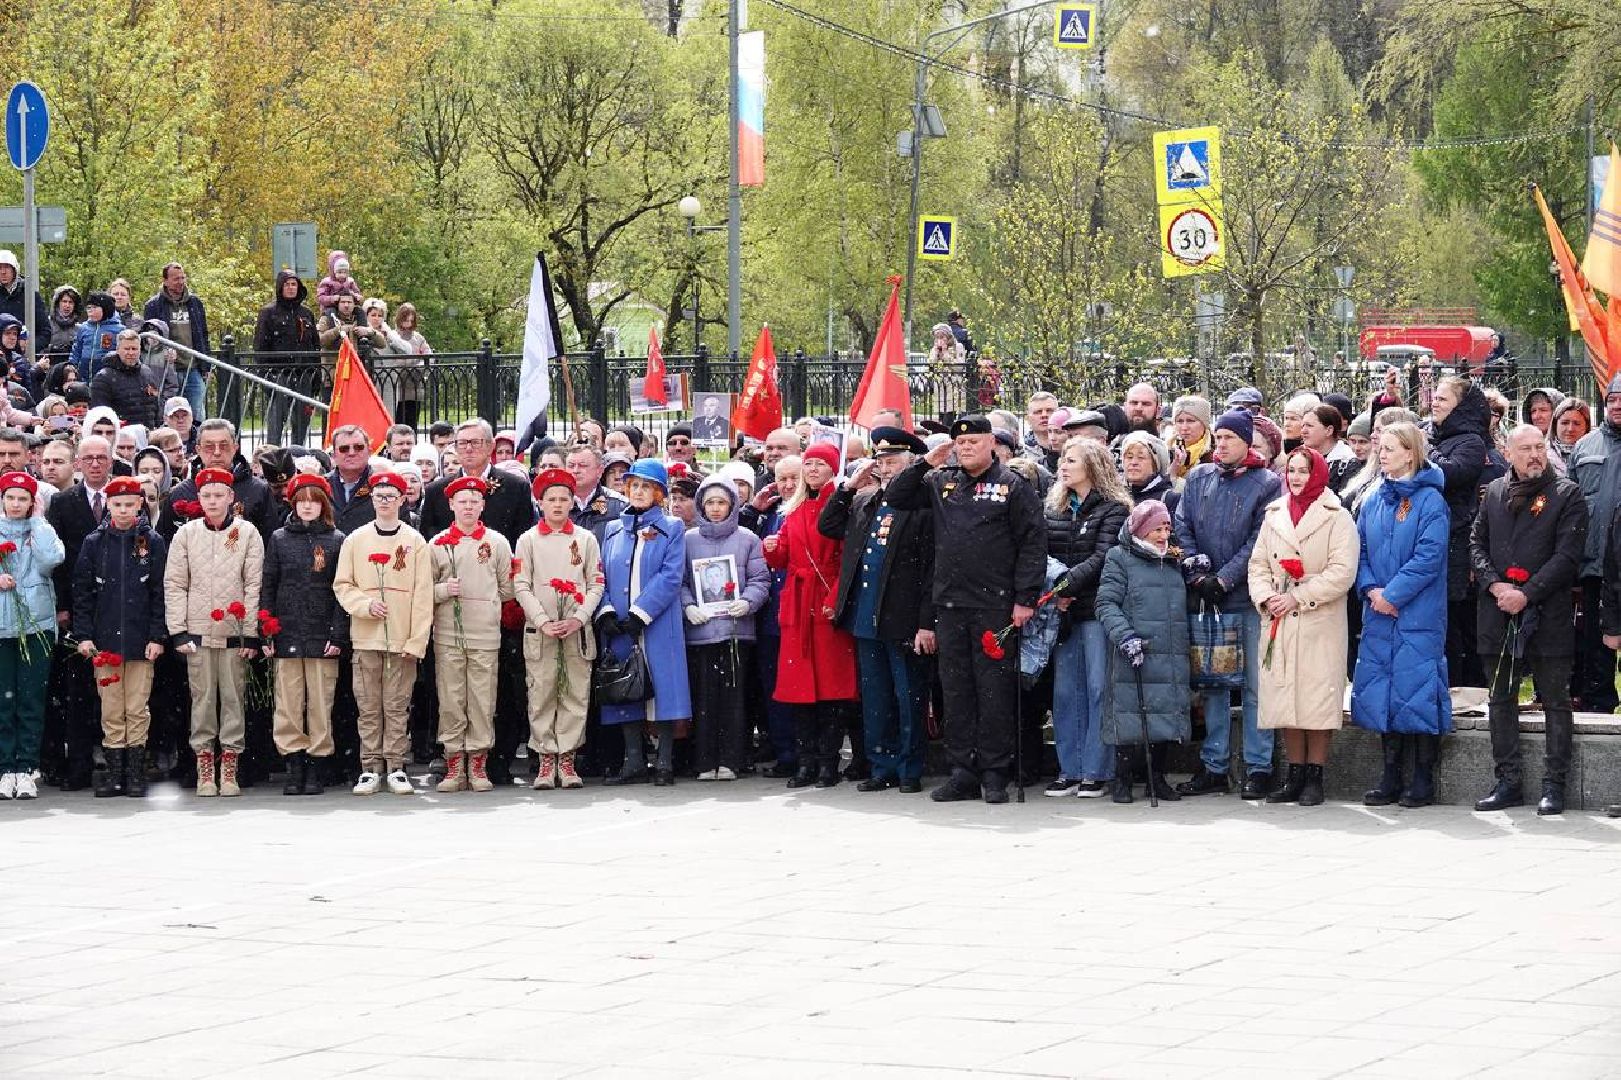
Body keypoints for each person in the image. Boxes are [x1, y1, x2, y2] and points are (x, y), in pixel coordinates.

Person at [884, 415, 1046, 804]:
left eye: (974, 441)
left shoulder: (1012, 486)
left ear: (991, 442)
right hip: (951, 605)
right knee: (956, 690)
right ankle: (963, 771)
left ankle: (994, 772)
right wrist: (926, 461)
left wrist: (1025, 599)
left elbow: (1032, 543)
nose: (967, 447)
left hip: (995, 606)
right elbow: (897, 497)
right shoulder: (943, 481)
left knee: (993, 691)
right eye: (961, 442)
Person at [1469, 425, 1586, 816]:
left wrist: (1527, 593)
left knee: (1555, 699)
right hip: (1498, 611)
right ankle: (1507, 781)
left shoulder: (1566, 494)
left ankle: (1555, 785)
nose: (1535, 454)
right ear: (1509, 452)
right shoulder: (1494, 493)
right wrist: (1496, 586)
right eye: (1526, 448)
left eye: (1540, 447)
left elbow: (1567, 556)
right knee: (1500, 697)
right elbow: (1476, 544)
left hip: (1546, 613)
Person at [818, 427, 935, 794]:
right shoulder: (865, 500)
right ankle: (881, 764)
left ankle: (909, 767)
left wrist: (924, 622)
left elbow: (931, 569)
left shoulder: (923, 504)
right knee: (876, 697)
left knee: (908, 696)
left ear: (912, 463)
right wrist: (849, 486)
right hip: (866, 615)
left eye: (893, 461)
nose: (885, 468)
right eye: (881, 461)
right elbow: (829, 525)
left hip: (902, 617)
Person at [1173, 408, 1283, 799]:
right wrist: (1198, 572)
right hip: (1206, 598)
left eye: (1229, 439)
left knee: (1255, 686)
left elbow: (1259, 539)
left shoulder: (1267, 483)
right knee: (1213, 685)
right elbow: (1182, 524)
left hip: (1245, 598)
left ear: (1245, 441)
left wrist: (1226, 578)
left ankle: (1259, 766)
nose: (1220, 445)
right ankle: (1214, 765)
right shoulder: (1199, 477)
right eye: (1217, 438)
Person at [1247, 447, 1359, 806]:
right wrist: (1266, 598)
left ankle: (1315, 776)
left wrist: (1300, 596)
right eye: (1291, 470)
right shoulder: (1274, 514)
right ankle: (1293, 774)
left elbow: (1342, 572)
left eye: (1302, 471)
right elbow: (1259, 564)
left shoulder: (1336, 516)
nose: (1295, 477)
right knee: (1285, 697)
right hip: (1279, 613)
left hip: (1318, 619)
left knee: (1316, 697)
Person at [1351, 422, 1452, 809]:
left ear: (1411, 452)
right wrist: (1371, 589)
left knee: (1418, 691)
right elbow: (1358, 550)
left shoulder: (1430, 501)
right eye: (1382, 447)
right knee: (1384, 691)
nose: (1383, 454)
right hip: (1378, 612)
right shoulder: (1374, 497)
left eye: (1391, 448)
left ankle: (1423, 778)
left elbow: (1429, 557)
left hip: (1417, 614)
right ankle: (1390, 775)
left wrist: (1393, 595)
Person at [164, 466, 265, 799]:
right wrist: (178, 630)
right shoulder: (187, 534)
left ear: (231, 497)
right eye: (206, 495)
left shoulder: (247, 533)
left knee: (234, 698)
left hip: (233, 632)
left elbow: (254, 583)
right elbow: (176, 583)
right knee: (203, 699)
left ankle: (231, 765)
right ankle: (205, 766)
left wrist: (250, 632)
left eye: (219, 494)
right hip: (198, 632)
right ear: (198, 498)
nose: (212, 501)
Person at [761, 443, 858, 789]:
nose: (813, 469)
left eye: (820, 464)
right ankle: (806, 762)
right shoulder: (795, 507)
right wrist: (773, 550)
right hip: (799, 604)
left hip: (825, 601)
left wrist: (835, 597)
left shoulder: (841, 504)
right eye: (809, 463)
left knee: (831, 689)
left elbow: (847, 557)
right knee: (800, 688)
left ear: (834, 469)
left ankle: (828, 763)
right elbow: (785, 556)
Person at [332, 471, 433, 796]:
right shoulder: (356, 540)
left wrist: (416, 641)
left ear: (403, 500)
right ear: (372, 499)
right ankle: (370, 765)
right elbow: (343, 585)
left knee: (397, 705)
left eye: (392, 496)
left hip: (402, 638)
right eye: (380, 496)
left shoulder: (414, 542)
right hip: (367, 637)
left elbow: (423, 594)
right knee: (369, 706)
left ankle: (396, 764)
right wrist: (363, 604)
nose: (386, 502)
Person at [1040, 440, 1130, 797]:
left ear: (1093, 465)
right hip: (1063, 612)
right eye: (1063, 459)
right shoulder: (1055, 508)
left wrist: (1066, 585)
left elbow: (1104, 555)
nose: (1063, 465)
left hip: (1095, 608)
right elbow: (1043, 552)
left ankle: (1097, 769)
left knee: (1097, 689)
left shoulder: (1114, 508)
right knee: (1065, 692)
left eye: (1072, 460)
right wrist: (1055, 591)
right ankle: (1070, 768)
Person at [595, 460, 691, 786]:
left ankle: (664, 761)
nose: (638, 491)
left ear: (659, 493)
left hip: (657, 623)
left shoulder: (672, 527)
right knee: (626, 688)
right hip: (620, 624)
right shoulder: (612, 529)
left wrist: (642, 611)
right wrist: (606, 609)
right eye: (634, 485)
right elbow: (600, 575)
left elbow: (671, 575)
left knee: (660, 690)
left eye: (646, 486)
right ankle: (633, 760)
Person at [71, 475, 163, 800]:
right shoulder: (94, 543)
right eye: (117, 504)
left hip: (140, 643)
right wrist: (83, 635)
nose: (123, 511)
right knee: (111, 707)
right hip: (105, 644)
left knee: (137, 707)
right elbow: (82, 593)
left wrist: (157, 635)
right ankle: (114, 772)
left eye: (130, 504)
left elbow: (159, 592)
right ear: (108, 505)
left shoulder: (151, 541)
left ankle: (135, 772)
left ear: (141, 504)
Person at [514, 469, 603, 790]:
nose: (557, 504)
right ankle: (545, 758)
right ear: (540, 503)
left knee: (574, 692)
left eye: (564, 498)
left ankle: (567, 758)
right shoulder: (528, 541)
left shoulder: (585, 539)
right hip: (542, 632)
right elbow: (520, 584)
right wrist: (541, 619)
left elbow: (596, 582)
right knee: (542, 692)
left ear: (572, 502)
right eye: (551, 499)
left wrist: (579, 617)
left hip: (575, 630)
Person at [1095, 500, 1188, 804]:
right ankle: (1122, 778)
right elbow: (1106, 603)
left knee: (1163, 711)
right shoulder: (1119, 557)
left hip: (1168, 651)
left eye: (1167, 528)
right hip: (1135, 649)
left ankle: (1155, 778)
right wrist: (1125, 637)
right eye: (1156, 529)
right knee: (1128, 712)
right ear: (1141, 530)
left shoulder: (1172, 559)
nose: (1163, 535)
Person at [426, 475, 515, 793]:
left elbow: (507, 587)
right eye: (462, 501)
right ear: (450, 505)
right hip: (448, 633)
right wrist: (441, 590)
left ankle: (477, 762)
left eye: (474, 501)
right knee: (451, 698)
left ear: (483, 505)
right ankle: (454, 764)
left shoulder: (497, 543)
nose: (468, 507)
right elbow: (422, 590)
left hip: (485, 633)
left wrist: (485, 603)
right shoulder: (436, 545)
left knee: (482, 698)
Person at [261, 474, 348, 796]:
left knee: (321, 704)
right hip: (286, 633)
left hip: (321, 634)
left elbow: (342, 590)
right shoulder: (280, 538)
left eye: (314, 500)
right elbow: (268, 584)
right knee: (288, 702)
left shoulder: (337, 540)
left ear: (323, 504)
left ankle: (317, 763)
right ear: (293, 504)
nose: (307, 506)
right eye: (301, 500)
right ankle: (293, 763)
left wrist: (337, 635)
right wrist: (266, 630)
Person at [682, 475, 770, 781]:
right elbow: (680, 581)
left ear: (733, 504)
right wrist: (688, 606)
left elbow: (761, 580)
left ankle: (732, 759)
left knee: (734, 698)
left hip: (736, 630)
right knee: (704, 698)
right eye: (710, 503)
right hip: (701, 632)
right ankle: (705, 760)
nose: (716, 509)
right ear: (701, 506)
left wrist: (748, 602)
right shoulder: (688, 539)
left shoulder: (748, 539)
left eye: (722, 502)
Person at [43, 435, 118, 790]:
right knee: (77, 692)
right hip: (77, 610)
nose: (94, 464)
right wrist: (61, 606)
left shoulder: (122, 496)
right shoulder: (62, 502)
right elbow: (57, 562)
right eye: (87, 458)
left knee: (116, 689)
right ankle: (78, 766)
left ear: (110, 460)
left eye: (100, 458)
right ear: (77, 464)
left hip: (117, 608)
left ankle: (119, 762)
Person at [1427, 375, 1494, 688]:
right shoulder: (1436, 437)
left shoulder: (1471, 441)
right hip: (1437, 539)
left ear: (1460, 407)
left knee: (1459, 623)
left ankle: (1469, 690)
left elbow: (1448, 474)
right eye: (1434, 398)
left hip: (1458, 544)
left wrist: (1425, 452)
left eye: (1442, 399)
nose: (1433, 404)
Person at [0, 472, 62, 800]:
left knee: (30, 701)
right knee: (2, 701)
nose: (16, 504)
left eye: (23, 498)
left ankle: (26, 767)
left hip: (35, 625)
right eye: (10, 497)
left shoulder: (41, 530)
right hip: (2, 628)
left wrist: (38, 523)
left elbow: (52, 560)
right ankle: (5, 767)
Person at [1568, 375, 1621, 714]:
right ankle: (1597, 710)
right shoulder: (1584, 446)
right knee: (1594, 647)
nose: (1618, 406)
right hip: (1593, 565)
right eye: (1613, 399)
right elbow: (1571, 508)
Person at [252, 271, 322, 447]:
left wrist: (316, 377)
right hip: (278, 375)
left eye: (294, 285)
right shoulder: (268, 313)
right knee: (276, 422)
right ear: (280, 287)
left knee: (301, 422)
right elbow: (260, 348)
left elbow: (315, 346)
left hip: (304, 375)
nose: (291, 288)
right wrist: (266, 377)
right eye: (287, 285)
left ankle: (298, 455)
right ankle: (272, 457)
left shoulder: (306, 313)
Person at [142, 263, 210, 419]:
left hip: (192, 368)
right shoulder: (153, 305)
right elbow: (150, 338)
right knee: (167, 413)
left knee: (196, 414)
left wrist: (206, 366)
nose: (180, 282)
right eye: (175, 279)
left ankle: (195, 441)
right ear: (165, 281)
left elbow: (203, 335)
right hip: (166, 369)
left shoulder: (195, 303)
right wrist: (162, 352)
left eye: (182, 278)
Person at [89, 330, 162, 429]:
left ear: (140, 350)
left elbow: (155, 406)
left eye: (134, 349)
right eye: (127, 349)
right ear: (118, 349)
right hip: (120, 436)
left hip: (147, 434)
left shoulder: (147, 373)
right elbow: (100, 414)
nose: (131, 353)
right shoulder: (103, 378)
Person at [1120, 431, 1179, 514]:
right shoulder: (1119, 497)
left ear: (1156, 464)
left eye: (1141, 457)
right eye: (1129, 457)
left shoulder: (1169, 499)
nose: (1133, 462)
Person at [70, 292, 123, 381]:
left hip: (108, 376)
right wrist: (71, 367)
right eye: (88, 307)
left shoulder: (119, 330)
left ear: (105, 308)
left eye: (94, 307)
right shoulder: (84, 328)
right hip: (83, 375)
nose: (90, 310)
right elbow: (76, 350)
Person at [0, 249, 49, 332]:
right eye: (0, 268)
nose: (3, 272)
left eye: (7, 267)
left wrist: (29, 344)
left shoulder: (30, 294)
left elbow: (45, 331)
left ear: (14, 269)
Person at [1169, 395, 1213, 482]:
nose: (1184, 427)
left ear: (1204, 424)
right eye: (1180, 421)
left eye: (1190, 421)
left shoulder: (1215, 455)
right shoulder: (1166, 450)